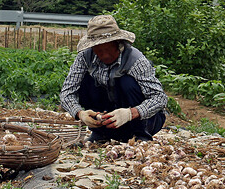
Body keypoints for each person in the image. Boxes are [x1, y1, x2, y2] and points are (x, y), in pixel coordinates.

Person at [59, 14, 167, 142]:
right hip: (108, 119)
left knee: (127, 82)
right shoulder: (84, 58)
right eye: (99, 51)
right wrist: (80, 113)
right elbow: (66, 93)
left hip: (143, 120)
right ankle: (100, 133)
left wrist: (130, 113)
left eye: (108, 49)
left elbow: (160, 98)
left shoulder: (136, 60)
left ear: (117, 43)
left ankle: (140, 135)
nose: (105, 55)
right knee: (85, 81)